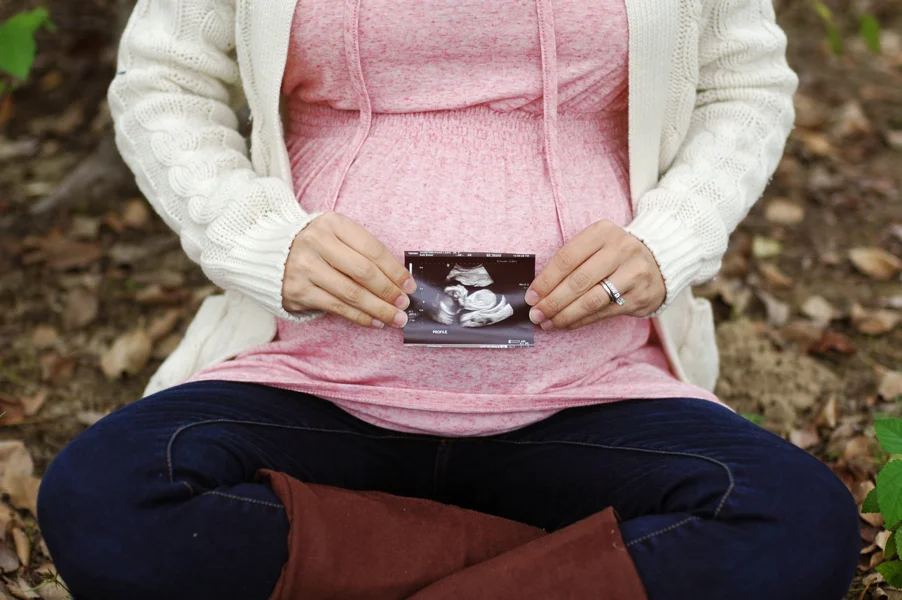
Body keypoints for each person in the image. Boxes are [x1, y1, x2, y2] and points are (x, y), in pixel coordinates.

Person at [36, 1, 861, 599]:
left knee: (798, 522)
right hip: (316, 385)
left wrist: (671, 236)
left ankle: (361, 568)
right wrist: (256, 235)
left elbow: (744, 83)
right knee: (105, 497)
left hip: (587, 397)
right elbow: (165, 79)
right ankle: (567, 565)